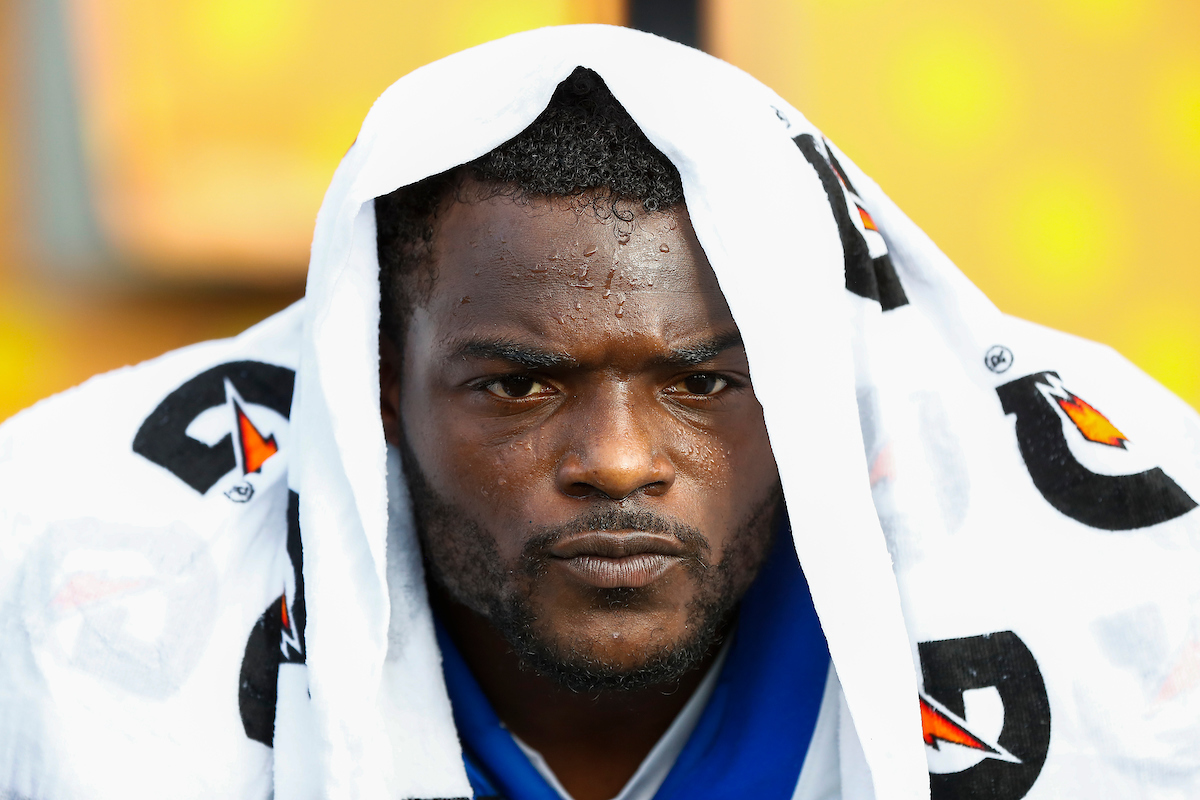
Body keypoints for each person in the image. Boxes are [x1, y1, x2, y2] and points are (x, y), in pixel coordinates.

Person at [2, 24, 1199, 800]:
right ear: (372, 378)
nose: (620, 461)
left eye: (701, 383)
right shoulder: (52, 613)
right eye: (519, 384)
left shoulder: (1137, 611)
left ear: (821, 376)